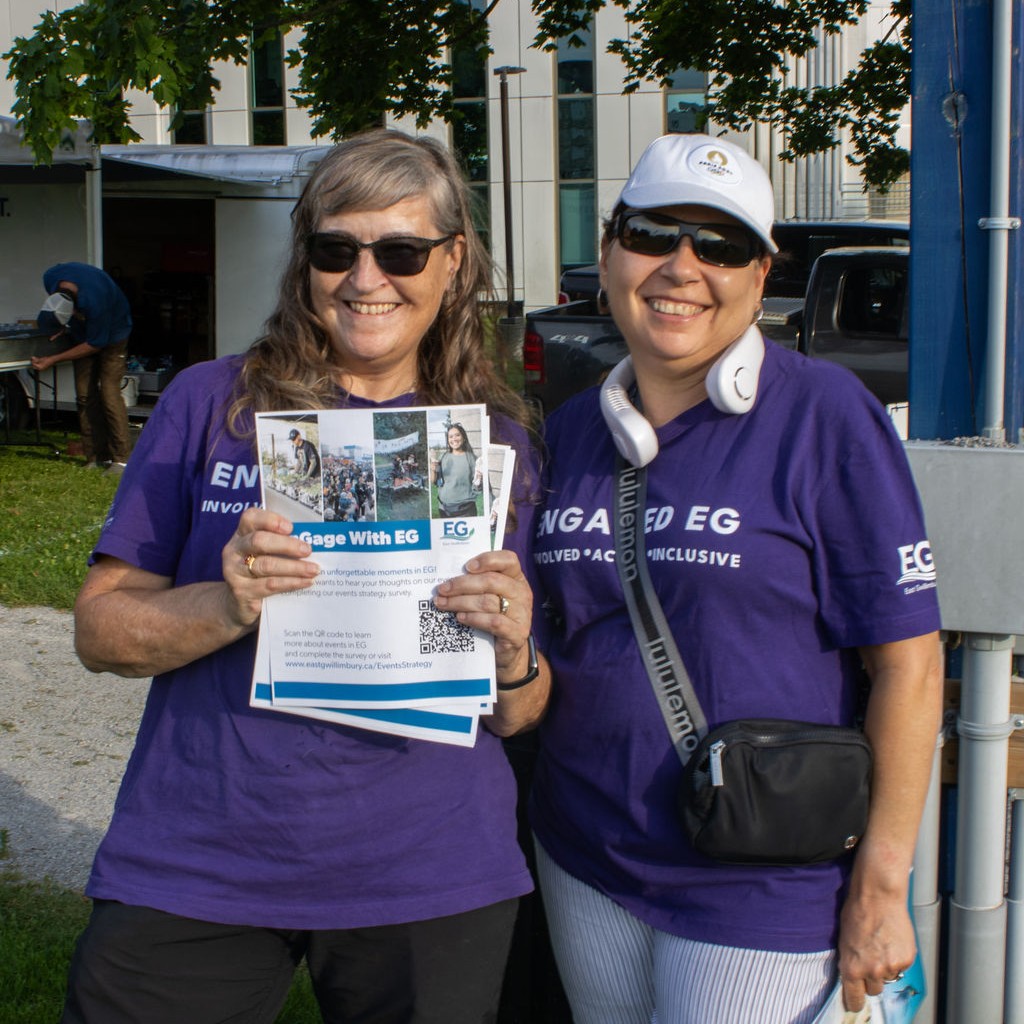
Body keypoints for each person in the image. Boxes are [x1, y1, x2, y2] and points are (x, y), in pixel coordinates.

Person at [62, 128, 551, 1024]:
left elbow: (521, 708)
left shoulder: (494, 443)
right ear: (306, 261)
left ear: (453, 263)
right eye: (337, 249)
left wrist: (514, 651)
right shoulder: (213, 405)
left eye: (400, 251)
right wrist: (228, 600)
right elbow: (101, 632)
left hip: (429, 872)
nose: (367, 280)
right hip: (200, 860)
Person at [529, 133, 943, 1024]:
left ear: (760, 276)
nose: (681, 267)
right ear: (608, 255)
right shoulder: (565, 434)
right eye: (652, 235)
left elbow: (910, 664)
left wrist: (880, 885)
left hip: (765, 880)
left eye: (718, 246)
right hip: (587, 859)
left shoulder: (826, 418)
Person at [32, 262, 133, 475]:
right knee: (85, 395)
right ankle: (95, 457)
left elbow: (96, 343)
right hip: (84, 332)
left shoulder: (96, 300)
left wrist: (53, 359)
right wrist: (60, 328)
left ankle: (121, 460)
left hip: (114, 335)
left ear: (77, 309)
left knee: (108, 392)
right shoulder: (51, 277)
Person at [431, 422, 484, 517]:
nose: (454, 439)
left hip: (465, 511)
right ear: (448, 440)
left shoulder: (472, 459)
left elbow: (477, 487)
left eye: (457, 435)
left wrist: (478, 482)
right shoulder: (444, 456)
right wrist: (433, 470)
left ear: (463, 438)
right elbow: (435, 482)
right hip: (443, 509)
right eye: (450, 437)